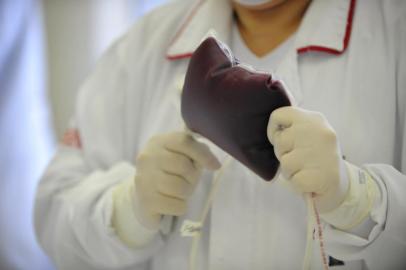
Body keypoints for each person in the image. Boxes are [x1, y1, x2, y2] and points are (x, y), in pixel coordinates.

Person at [34, 0, 406, 269]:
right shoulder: (140, 47)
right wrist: (128, 209)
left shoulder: (395, 32)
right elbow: (52, 214)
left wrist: (362, 200)